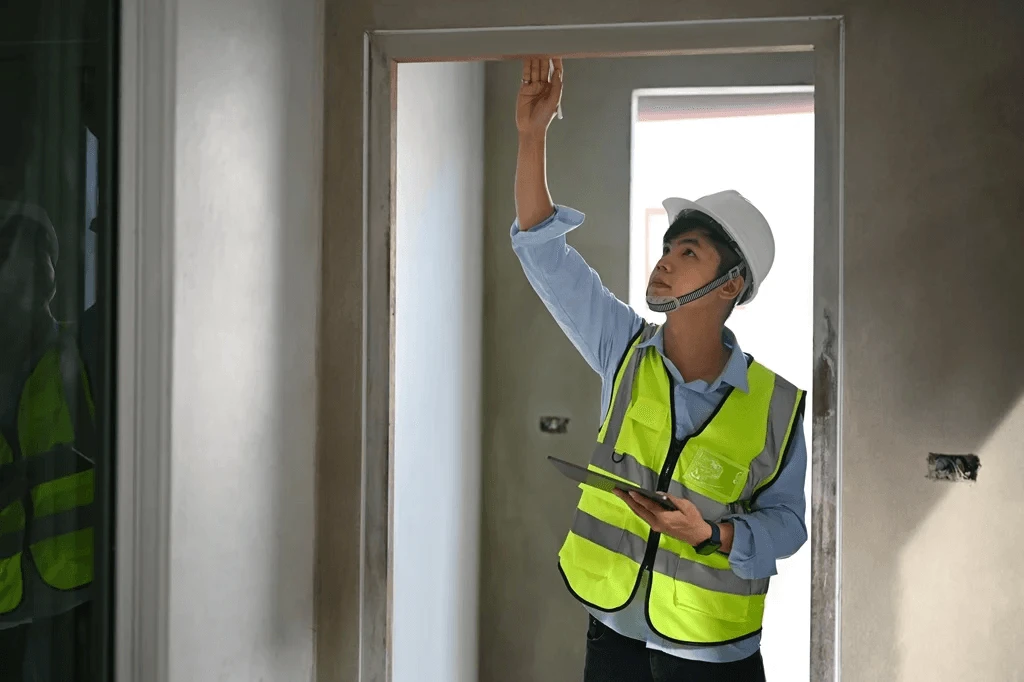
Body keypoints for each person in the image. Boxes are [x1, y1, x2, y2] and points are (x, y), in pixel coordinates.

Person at [511, 58, 808, 682]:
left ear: (732, 285)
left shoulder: (777, 407)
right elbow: (544, 253)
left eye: (689, 252)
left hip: (712, 656)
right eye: (669, 248)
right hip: (613, 635)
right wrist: (532, 137)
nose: (666, 261)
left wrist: (713, 534)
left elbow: (787, 526)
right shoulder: (623, 348)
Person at [0, 200, 96, 681]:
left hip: (78, 600)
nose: (44, 262)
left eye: (49, 251)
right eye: (26, 249)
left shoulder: (81, 351)